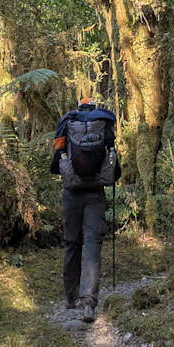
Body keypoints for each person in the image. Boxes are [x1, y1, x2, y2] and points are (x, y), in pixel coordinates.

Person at [50, 96, 120, 322]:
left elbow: (56, 161)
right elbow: (112, 155)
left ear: (79, 107)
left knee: (72, 244)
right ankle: (88, 303)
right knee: (92, 245)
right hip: (96, 193)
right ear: (93, 108)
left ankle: (70, 297)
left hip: (72, 194)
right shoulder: (104, 123)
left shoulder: (67, 123)